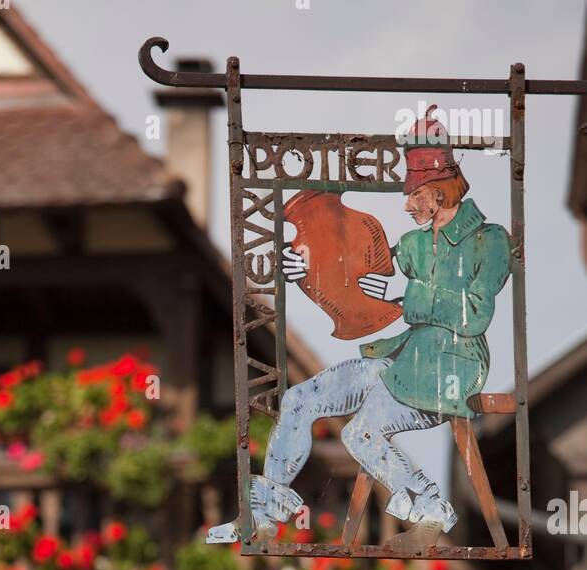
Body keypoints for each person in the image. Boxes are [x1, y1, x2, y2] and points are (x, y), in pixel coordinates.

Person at [207, 107, 512, 545]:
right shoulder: (413, 244)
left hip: (451, 368)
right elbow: (354, 277)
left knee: (361, 433)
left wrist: (406, 297)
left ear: (439, 194)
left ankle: (428, 507)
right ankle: (264, 514)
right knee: (299, 399)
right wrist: (306, 266)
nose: (407, 205)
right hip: (402, 359)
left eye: (415, 196)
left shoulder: (491, 239)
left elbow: (476, 313)